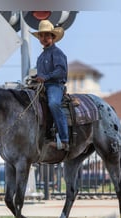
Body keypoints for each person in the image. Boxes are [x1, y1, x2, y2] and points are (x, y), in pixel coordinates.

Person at [31, 20, 69, 151]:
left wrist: (45, 77)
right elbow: (41, 74)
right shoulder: (41, 57)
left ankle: (64, 139)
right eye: (41, 36)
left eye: (47, 35)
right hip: (42, 86)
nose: (44, 38)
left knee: (53, 103)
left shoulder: (57, 53)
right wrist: (36, 78)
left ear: (53, 37)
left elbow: (61, 71)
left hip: (54, 86)